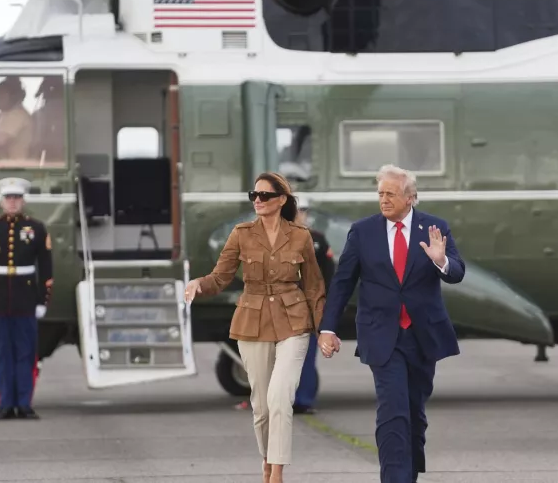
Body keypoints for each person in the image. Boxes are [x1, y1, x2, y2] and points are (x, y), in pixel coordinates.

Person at [318, 164, 465, 483]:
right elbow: (343, 282)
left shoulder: (434, 228)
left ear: (411, 198)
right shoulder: (363, 231)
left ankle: (407, 474)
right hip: (381, 334)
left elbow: (457, 273)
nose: (383, 199)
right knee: (392, 411)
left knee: (414, 413)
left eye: (391, 194)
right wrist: (327, 328)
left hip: (423, 335)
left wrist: (441, 260)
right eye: (380, 193)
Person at [184, 172, 326, 483]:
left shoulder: (301, 236)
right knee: (261, 406)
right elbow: (220, 277)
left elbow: (314, 286)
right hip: (252, 321)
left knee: (279, 397)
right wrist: (198, 284)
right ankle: (267, 459)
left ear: (282, 200)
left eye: (264, 196)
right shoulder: (241, 233)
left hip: (294, 320)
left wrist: (323, 329)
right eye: (254, 195)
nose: (257, 201)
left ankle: (276, 474)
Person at [0, 177, 53, 421]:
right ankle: (5, 403)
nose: (13, 202)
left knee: (26, 352)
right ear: (1, 202)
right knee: (2, 354)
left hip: (25, 298)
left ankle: (24, 403)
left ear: (23, 201)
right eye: (9, 198)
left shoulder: (36, 228)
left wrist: (42, 300)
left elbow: (46, 268)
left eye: (17, 198)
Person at [293, 195, 335, 415]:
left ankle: (303, 400)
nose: (300, 214)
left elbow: (329, 274)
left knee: (306, 356)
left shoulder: (317, 240)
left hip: (308, 308)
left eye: (302, 210)